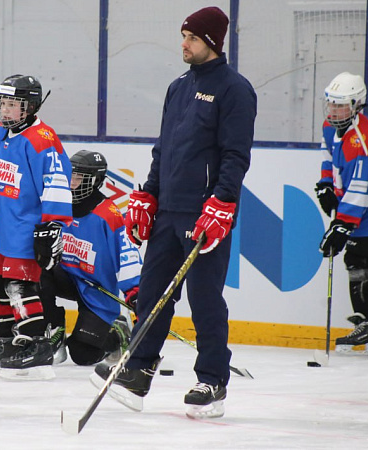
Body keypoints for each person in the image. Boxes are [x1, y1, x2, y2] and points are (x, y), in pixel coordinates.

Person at [92, 7, 256, 419]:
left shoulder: (235, 90)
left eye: (192, 38)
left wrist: (222, 204)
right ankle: (139, 369)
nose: (183, 44)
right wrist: (148, 193)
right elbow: (165, 147)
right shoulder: (178, 87)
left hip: (205, 215)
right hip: (168, 211)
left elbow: (235, 155)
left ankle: (212, 380)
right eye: (183, 36)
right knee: (151, 295)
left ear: (212, 43)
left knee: (204, 301)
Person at [0, 74, 72, 381]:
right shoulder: (0, 133)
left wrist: (52, 227)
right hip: (7, 226)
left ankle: (37, 346)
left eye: (13, 105)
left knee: (20, 287)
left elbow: (57, 185)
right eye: (3, 104)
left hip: (29, 228)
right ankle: (8, 342)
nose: (5, 110)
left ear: (30, 106)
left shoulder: (42, 141)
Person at [314, 72, 368, 355]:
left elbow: (361, 188)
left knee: (357, 257)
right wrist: (326, 184)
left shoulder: (360, 137)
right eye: (331, 104)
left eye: (341, 106)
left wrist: (342, 226)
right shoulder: (330, 126)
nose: (335, 111)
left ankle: (367, 323)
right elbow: (328, 156)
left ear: (357, 105)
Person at [39, 150, 141, 366]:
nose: (72, 182)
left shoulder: (109, 216)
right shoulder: (59, 205)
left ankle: (118, 331)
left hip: (95, 290)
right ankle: (53, 333)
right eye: (71, 176)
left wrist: (135, 292)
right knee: (36, 274)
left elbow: (127, 257)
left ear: (95, 181)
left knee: (83, 355)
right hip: (66, 277)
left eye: (79, 178)